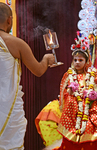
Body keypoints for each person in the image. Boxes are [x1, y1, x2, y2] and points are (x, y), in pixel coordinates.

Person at [0, 2, 55, 150]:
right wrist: (46, 59)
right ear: (9, 20)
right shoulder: (16, 43)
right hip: (8, 108)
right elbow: (37, 70)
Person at [52, 36, 97, 150]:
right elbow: (65, 92)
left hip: (90, 105)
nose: (77, 63)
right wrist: (70, 91)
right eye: (75, 60)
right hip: (74, 107)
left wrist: (95, 94)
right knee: (71, 100)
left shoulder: (93, 74)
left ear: (87, 61)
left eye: (80, 60)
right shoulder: (68, 75)